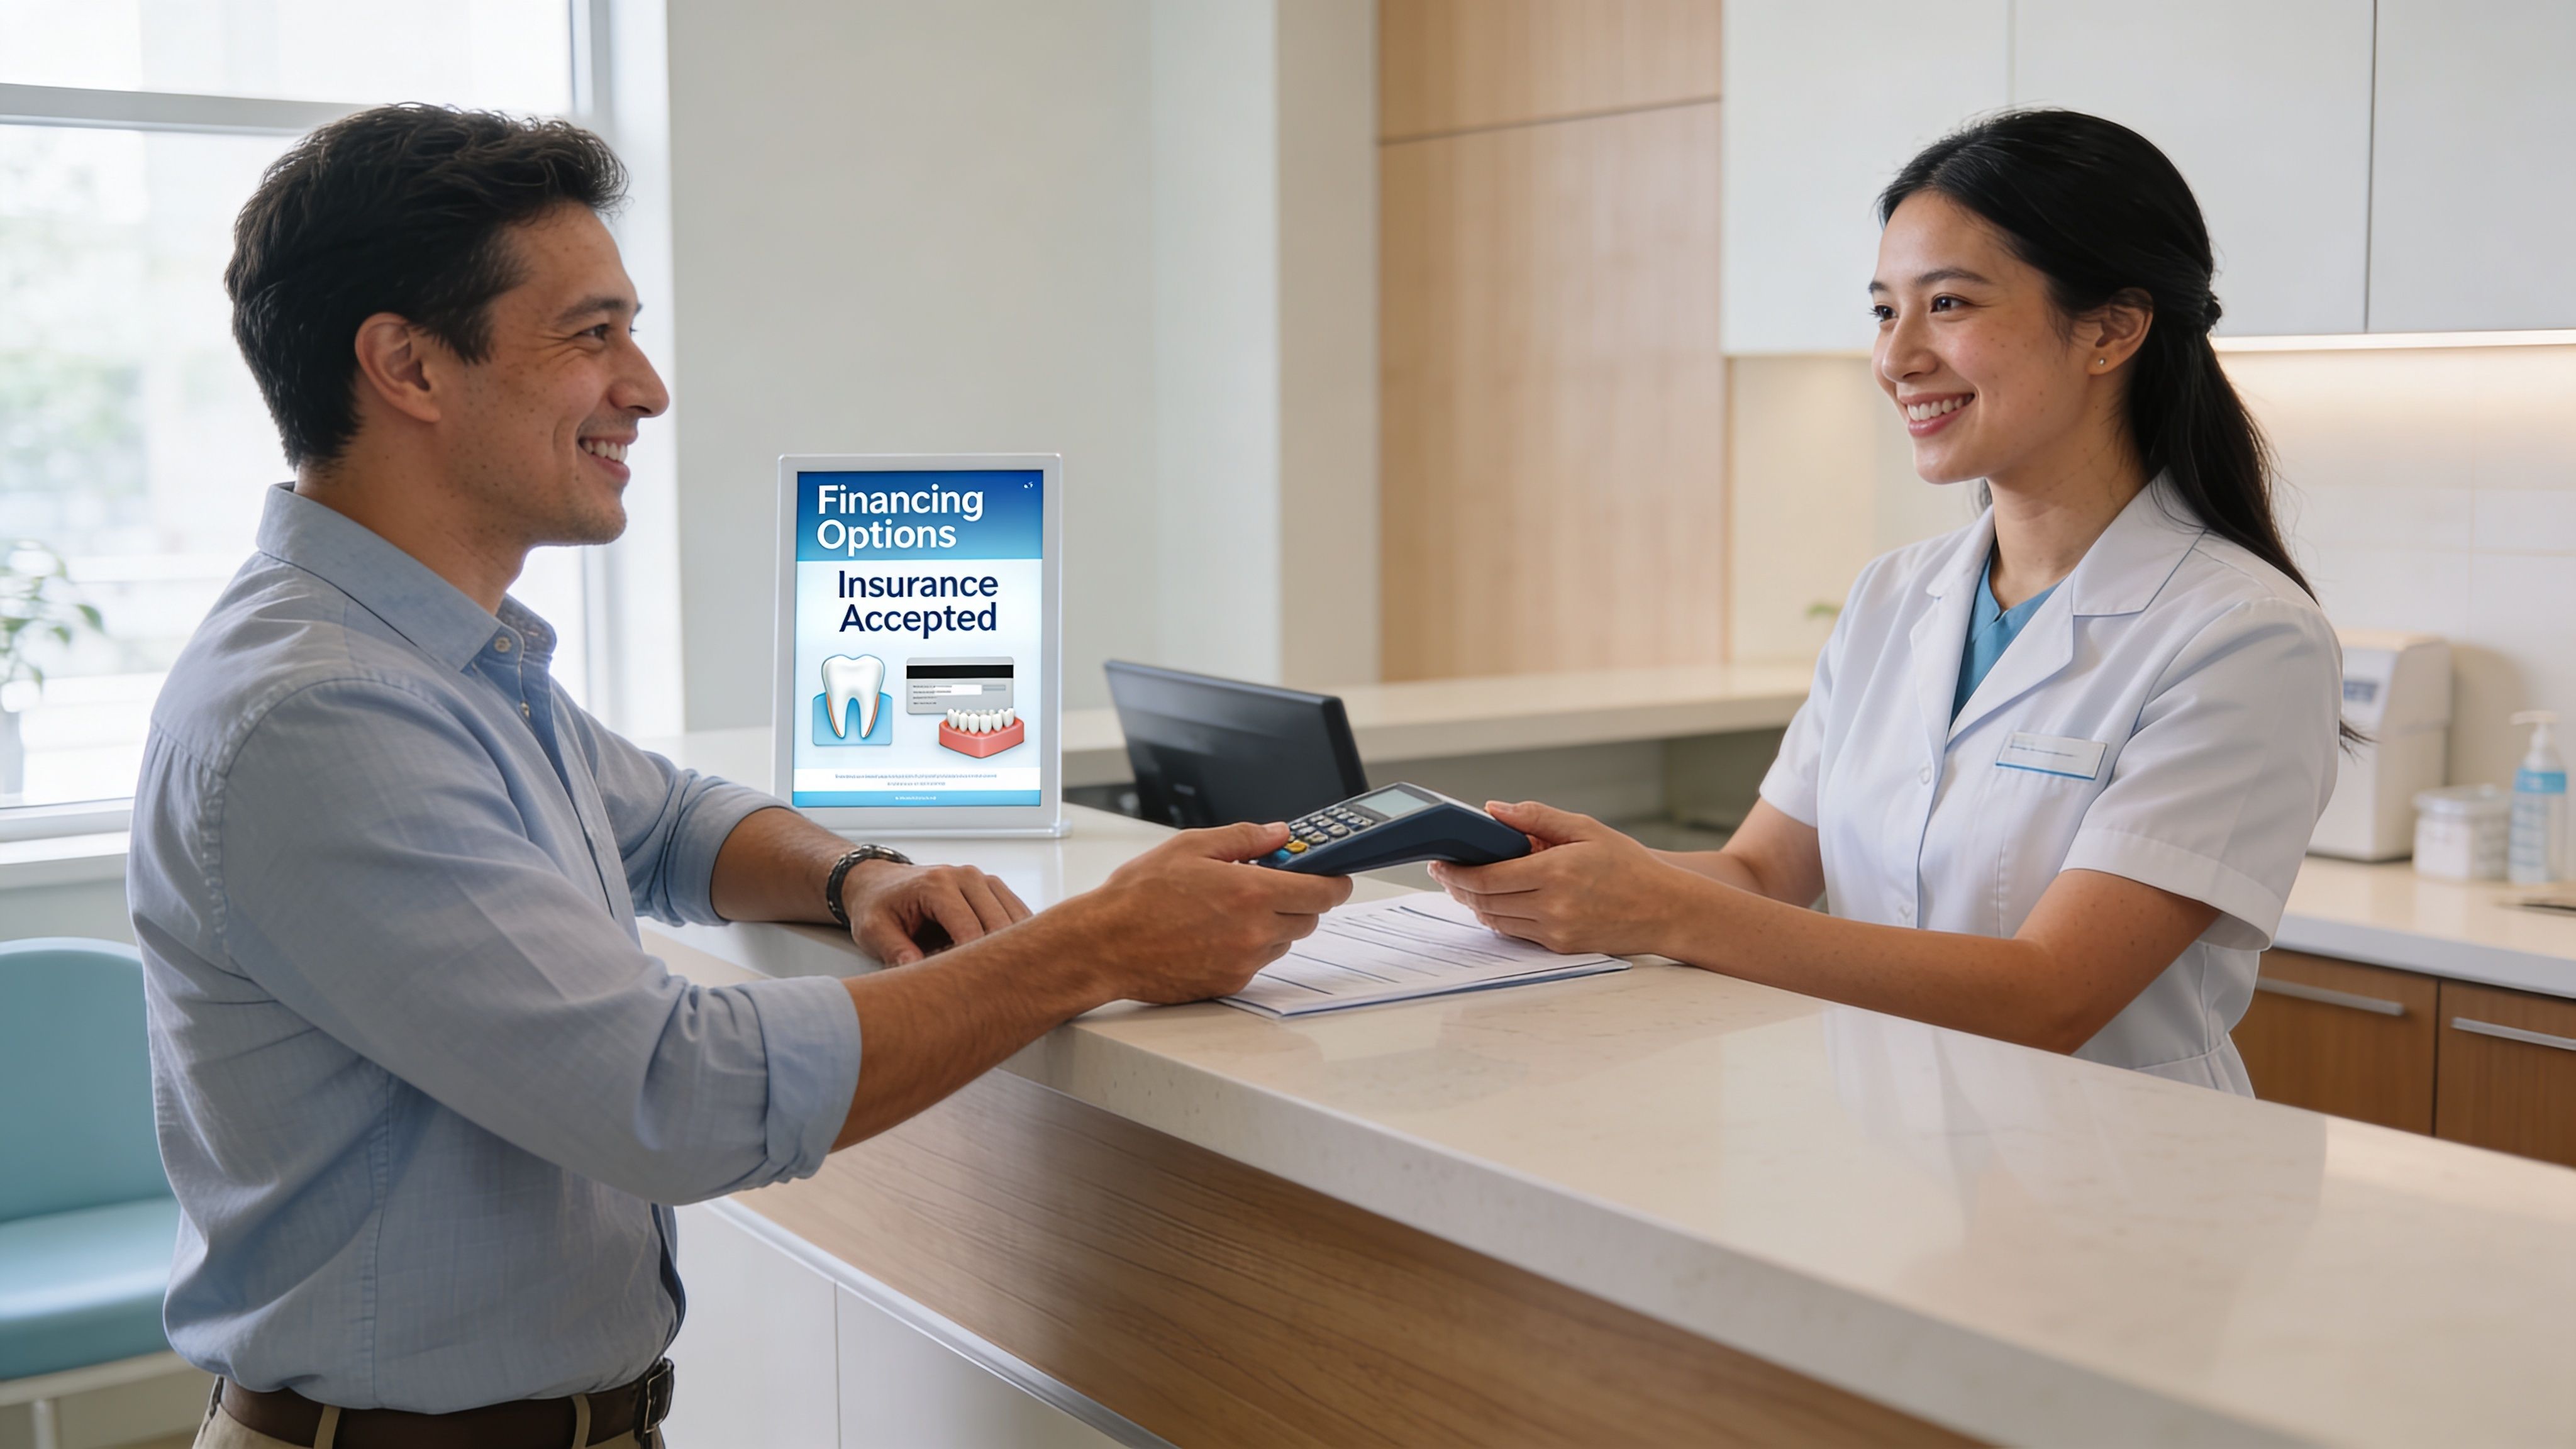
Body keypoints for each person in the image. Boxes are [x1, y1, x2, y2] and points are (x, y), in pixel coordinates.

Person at [130, 104, 1350, 1449]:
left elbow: (666, 820)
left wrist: (854, 877)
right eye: (591, 336)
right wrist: (1093, 945)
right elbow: (668, 1097)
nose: (644, 388)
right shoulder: (326, 712)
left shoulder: (429, 657)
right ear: (409, 367)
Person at [1431, 109, 2342, 1094]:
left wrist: (1656, 910)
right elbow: (1760, 876)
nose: (1897, 357)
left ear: (2113, 328)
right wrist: (1572, 872)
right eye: (1883, 310)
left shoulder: (2242, 636)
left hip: (2114, 1176)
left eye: (1947, 303)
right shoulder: (1895, 596)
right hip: (1890, 1157)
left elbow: (2050, 996)